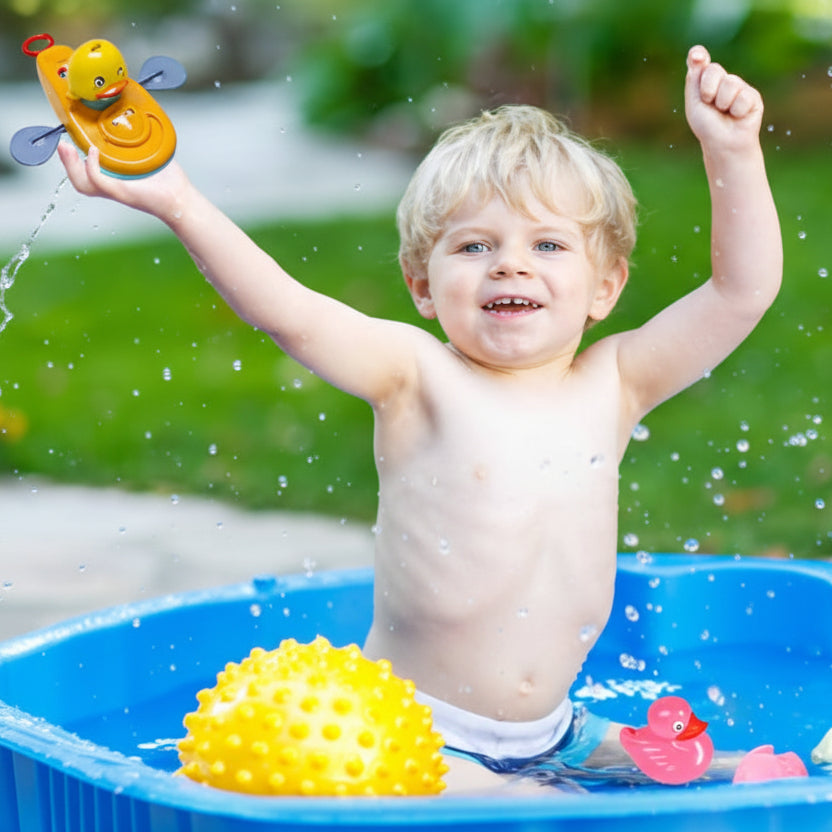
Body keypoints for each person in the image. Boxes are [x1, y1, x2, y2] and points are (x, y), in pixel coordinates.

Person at [57, 45, 781, 793]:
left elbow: (740, 294)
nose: (511, 265)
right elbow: (289, 314)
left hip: (557, 727)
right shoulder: (416, 375)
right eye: (474, 246)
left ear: (604, 286)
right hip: (419, 731)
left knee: (719, 781)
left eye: (548, 245)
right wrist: (177, 200)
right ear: (421, 285)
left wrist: (732, 150)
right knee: (529, 809)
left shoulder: (617, 382)